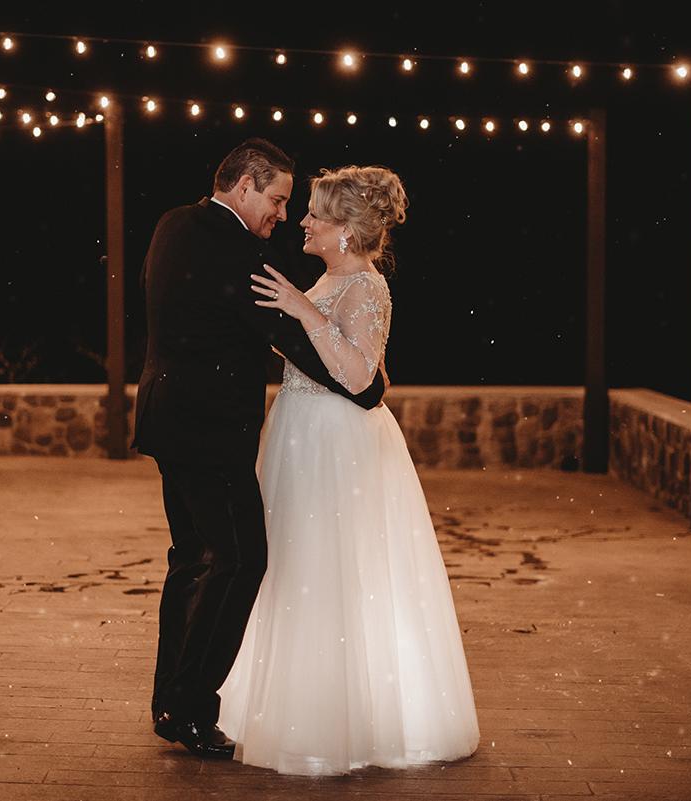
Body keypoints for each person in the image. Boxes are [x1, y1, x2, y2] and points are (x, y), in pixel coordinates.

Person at [218, 165, 480, 775]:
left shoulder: (366, 285)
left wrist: (302, 313)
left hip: (338, 443)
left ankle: (339, 726)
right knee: (293, 567)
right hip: (298, 435)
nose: (302, 221)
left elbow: (361, 378)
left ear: (345, 230)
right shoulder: (327, 278)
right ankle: (288, 708)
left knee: (334, 570)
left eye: (315, 214)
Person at [133, 140, 386, 759]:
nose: (282, 214)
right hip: (211, 434)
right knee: (241, 561)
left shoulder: (173, 224)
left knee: (191, 558)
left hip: (167, 422)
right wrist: (368, 387)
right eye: (275, 199)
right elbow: (288, 338)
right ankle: (191, 707)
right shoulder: (236, 252)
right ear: (244, 184)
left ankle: (169, 699)